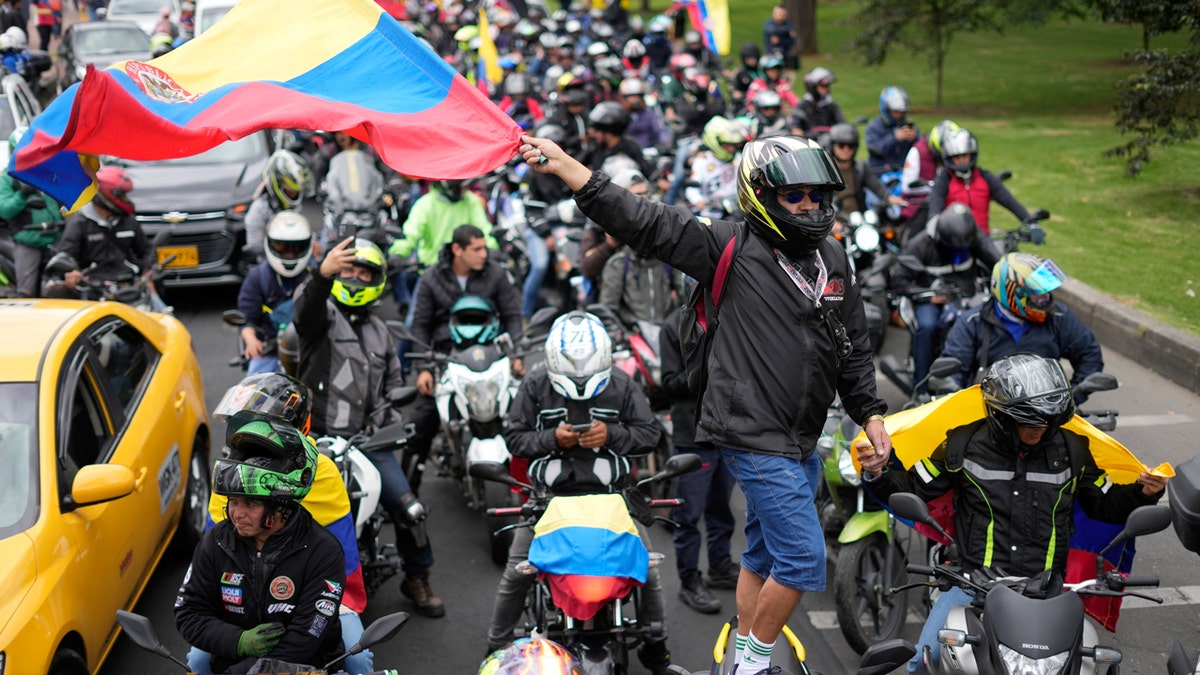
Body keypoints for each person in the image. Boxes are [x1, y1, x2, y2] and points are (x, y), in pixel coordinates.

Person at [516, 132, 891, 675]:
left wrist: (872, 412)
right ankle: (753, 662)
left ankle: (744, 646)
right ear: (760, 193)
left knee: (763, 556)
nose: (810, 205)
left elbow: (852, 344)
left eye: (817, 194)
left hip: (803, 436)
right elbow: (642, 219)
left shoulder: (832, 256)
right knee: (805, 558)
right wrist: (572, 168)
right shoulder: (726, 245)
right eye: (795, 195)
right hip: (751, 434)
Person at [856, 353, 1167, 673]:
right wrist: (878, 474)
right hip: (970, 587)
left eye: (1048, 420)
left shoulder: (1073, 450)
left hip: (1047, 594)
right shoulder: (960, 445)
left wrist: (1144, 493)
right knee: (923, 662)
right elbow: (913, 489)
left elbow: (1105, 504)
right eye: (1030, 420)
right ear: (1000, 416)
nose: (1041, 429)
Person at [487, 312, 672, 675]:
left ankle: (657, 644)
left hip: (615, 496)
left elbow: (650, 434)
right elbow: (514, 438)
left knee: (648, 570)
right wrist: (552, 439)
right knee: (516, 572)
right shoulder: (534, 383)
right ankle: (495, 647)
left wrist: (612, 435)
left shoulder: (623, 382)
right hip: (548, 499)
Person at [292, 236, 444, 618]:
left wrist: (389, 424)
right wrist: (320, 275)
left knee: (412, 510)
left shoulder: (383, 333)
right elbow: (303, 312)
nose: (356, 277)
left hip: (368, 441)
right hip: (314, 439)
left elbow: (394, 386)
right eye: (349, 270)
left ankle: (417, 577)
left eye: (365, 272)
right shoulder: (321, 319)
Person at [188, 373, 374, 675]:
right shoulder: (231, 471)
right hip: (243, 596)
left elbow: (341, 563)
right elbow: (217, 558)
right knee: (197, 662)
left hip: (314, 590)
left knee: (357, 661)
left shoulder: (321, 472)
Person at [175, 410, 345, 675]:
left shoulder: (325, 552)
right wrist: (239, 642)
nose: (236, 514)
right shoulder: (215, 542)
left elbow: (306, 639)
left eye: (250, 504)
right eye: (232, 501)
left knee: (361, 663)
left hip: (305, 668)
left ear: (282, 505)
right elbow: (188, 613)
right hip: (231, 660)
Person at [406, 224, 524, 490]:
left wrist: (516, 354)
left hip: (492, 354)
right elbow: (421, 324)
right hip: (447, 356)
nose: (485, 254)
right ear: (457, 250)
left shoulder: (496, 275)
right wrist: (424, 368)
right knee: (422, 422)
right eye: (477, 249)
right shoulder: (431, 278)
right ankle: (405, 494)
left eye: (485, 248)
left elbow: (512, 316)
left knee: (522, 409)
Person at [659, 305, 738, 614]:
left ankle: (719, 566)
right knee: (689, 514)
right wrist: (707, 369)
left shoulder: (731, 315)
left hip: (728, 430)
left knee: (721, 505)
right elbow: (668, 384)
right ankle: (690, 579)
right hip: (693, 434)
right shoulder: (673, 325)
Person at [941, 252, 1104, 400]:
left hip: (1047, 415)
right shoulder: (972, 322)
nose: (1045, 298)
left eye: (1046, 292)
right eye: (1037, 294)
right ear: (1011, 293)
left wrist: (1072, 398)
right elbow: (953, 369)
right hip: (987, 413)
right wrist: (958, 399)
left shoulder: (1058, 316)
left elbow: (1089, 354)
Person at [891, 203, 1001, 392]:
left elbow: (996, 263)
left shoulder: (974, 239)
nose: (958, 254)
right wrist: (927, 296)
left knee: (985, 324)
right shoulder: (921, 244)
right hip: (931, 297)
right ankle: (921, 388)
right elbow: (898, 279)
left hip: (965, 297)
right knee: (927, 327)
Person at [43, 166, 169, 312]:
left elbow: (145, 250)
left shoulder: (128, 221)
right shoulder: (79, 223)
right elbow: (66, 255)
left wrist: (149, 272)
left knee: (166, 320)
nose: (127, 200)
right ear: (105, 196)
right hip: (95, 290)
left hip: (130, 286)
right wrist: (71, 272)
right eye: (122, 195)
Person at [235, 211, 314, 374]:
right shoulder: (257, 278)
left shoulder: (316, 276)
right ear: (269, 244)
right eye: (282, 247)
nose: (290, 254)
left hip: (309, 349)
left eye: (297, 248)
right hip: (270, 351)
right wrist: (251, 341)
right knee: (254, 395)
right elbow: (246, 319)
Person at [926, 127, 1032, 235]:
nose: (961, 160)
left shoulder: (986, 177)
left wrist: (1030, 223)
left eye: (964, 155)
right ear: (949, 158)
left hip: (981, 241)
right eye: (956, 157)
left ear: (972, 154)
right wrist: (933, 223)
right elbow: (935, 205)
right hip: (951, 240)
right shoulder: (944, 180)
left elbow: (1009, 201)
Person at [1, 128, 63, 297]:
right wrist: (22, 194)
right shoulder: (7, 178)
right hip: (28, 241)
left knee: (69, 286)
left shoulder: (48, 173)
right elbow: (4, 210)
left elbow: (63, 204)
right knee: (26, 293)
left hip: (57, 239)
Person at [244, 150, 311, 262]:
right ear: (277, 184)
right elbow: (255, 247)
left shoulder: (295, 207)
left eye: (296, 192)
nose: (294, 195)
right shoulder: (258, 210)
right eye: (290, 191)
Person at [824, 122, 903, 218]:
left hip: (859, 219)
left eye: (850, 146)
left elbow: (876, 186)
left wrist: (890, 198)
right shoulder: (824, 170)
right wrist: (831, 222)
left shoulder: (860, 168)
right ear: (833, 146)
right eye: (841, 145)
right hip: (833, 220)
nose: (846, 149)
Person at [322, 132, 385, 241]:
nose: (340, 137)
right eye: (337, 133)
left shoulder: (370, 150)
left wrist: (394, 182)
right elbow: (316, 169)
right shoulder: (329, 151)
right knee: (326, 238)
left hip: (369, 207)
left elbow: (386, 168)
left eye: (344, 133)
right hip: (340, 208)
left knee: (387, 235)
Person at [684, 116, 748, 218]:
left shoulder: (740, 158)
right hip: (712, 214)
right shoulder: (702, 162)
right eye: (726, 145)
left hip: (738, 210)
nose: (731, 149)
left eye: (733, 145)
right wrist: (698, 201)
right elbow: (692, 189)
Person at [582, 100, 654, 178]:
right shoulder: (594, 147)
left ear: (609, 130)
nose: (592, 133)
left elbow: (648, 172)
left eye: (597, 130)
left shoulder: (631, 147)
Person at [865, 86, 919, 176]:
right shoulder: (873, 127)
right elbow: (876, 150)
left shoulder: (908, 126)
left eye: (902, 112)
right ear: (886, 109)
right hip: (880, 175)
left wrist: (914, 139)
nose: (899, 115)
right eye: (896, 112)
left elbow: (922, 151)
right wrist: (895, 138)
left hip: (905, 174)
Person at [790, 67, 846, 139]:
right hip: (808, 143)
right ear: (813, 86)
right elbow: (796, 127)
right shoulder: (803, 105)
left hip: (827, 143)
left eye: (827, 86)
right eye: (823, 86)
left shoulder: (831, 104)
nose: (827, 89)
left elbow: (841, 123)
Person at [620, 77, 671, 151]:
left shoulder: (648, 113)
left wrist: (666, 143)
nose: (635, 100)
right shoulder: (621, 114)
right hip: (627, 152)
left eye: (637, 97)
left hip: (648, 151)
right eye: (632, 97)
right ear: (625, 98)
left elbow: (659, 130)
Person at [727, 42, 762, 111]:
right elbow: (732, 88)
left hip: (763, 101)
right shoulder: (739, 73)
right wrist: (737, 94)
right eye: (749, 59)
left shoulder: (763, 71)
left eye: (753, 58)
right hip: (745, 103)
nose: (751, 61)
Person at [762, 5, 797, 70]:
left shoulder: (789, 25)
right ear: (774, 14)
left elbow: (792, 40)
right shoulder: (768, 23)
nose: (780, 17)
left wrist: (780, 40)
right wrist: (786, 34)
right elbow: (770, 30)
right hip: (771, 56)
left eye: (782, 14)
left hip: (785, 56)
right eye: (778, 14)